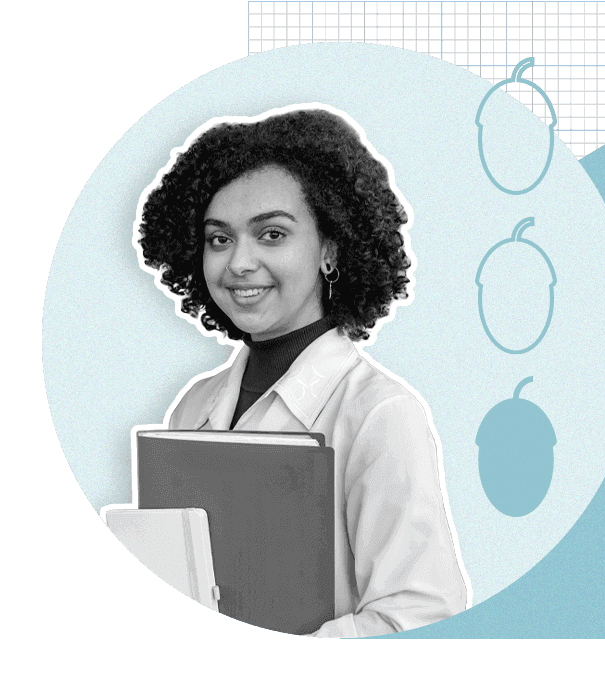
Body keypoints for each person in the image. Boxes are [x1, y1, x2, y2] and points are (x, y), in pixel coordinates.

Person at [135, 106, 469, 637]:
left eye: (271, 234)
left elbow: (422, 617)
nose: (238, 263)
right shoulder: (195, 405)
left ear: (329, 249)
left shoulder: (379, 414)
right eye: (219, 239)